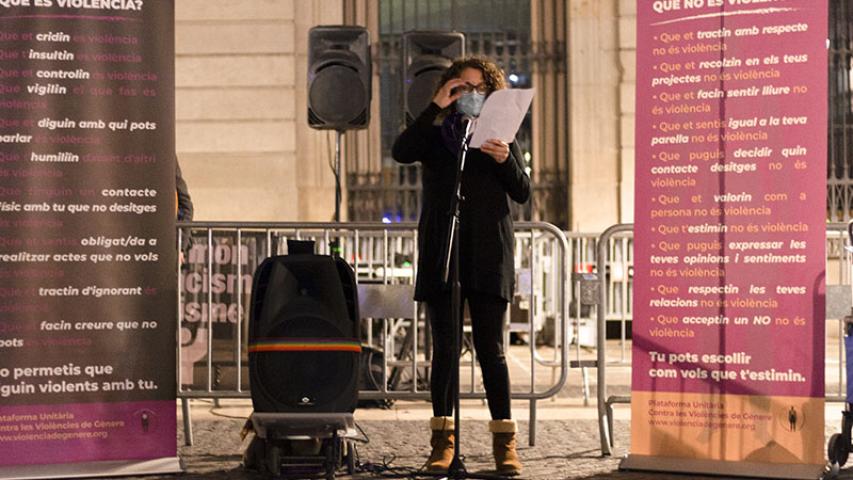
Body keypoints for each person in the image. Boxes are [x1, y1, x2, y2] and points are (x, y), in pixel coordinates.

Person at [392, 56, 530, 476]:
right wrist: (434, 106)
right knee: (446, 350)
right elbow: (401, 151)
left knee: (491, 351)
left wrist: (505, 158)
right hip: (444, 250)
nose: (470, 95)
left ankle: (505, 444)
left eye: (478, 88)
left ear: (492, 95)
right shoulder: (436, 137)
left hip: (488, 251)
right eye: (461, 88)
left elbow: (522, 192)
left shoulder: (501, 138)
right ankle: (443, 442)